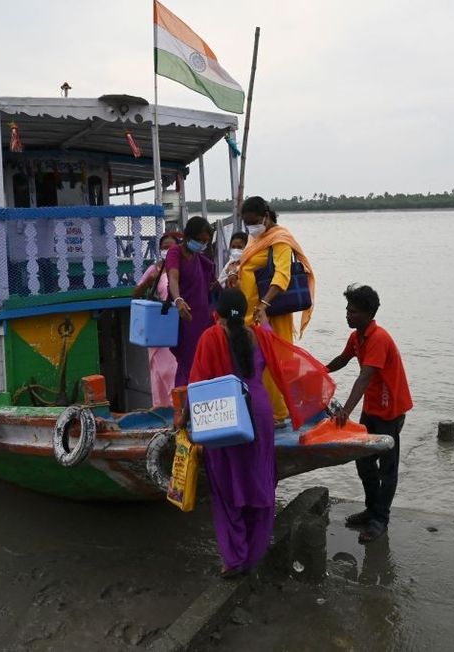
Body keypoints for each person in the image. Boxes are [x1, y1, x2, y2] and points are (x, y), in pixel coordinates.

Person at [188, 289, 283, 577]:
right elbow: (273, 349)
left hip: (225, 413)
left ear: (216, 314)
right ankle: (253, 555)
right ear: (244, 313)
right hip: (260, 413)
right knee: (259, 480)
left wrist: (183, 419)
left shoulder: (211, 336)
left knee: (227, 485)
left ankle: (234, 559)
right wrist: (264, 317)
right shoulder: (262, 335)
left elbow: (198, 382)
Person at [326, 284, 412, 543]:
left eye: (352, 311)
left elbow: (364, 378)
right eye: (347, 309)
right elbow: (343, 359)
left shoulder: (378, 339)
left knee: (388, 467)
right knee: (363, 460)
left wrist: (344, 411)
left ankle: (380, 520)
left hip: (390, 410)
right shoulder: (357, 337)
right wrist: (319, 371)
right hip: (372, 407)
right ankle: (371, 509)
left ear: (367, 314)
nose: (347, 315)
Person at [236, 196, 316, 427]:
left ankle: (278, 413)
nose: (250, 227)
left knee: (275, 360)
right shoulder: (255, 237)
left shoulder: (280, 239)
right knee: (256, 360)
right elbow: (247, 265)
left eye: (253, 221)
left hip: (271, 311)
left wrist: (265, 304)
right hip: (251, 311)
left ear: (266, 217)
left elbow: (282, 274)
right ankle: (264, 407)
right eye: (246, 222)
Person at [132, 232, 181, 407]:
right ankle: (160, 408)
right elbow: (136, 293)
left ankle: (176, 407)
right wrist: (148, 281)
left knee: (172, 369)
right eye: (163, 248)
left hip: (176, 324)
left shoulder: (182, 267)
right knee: (158, 371)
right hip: (157, 323)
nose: (166, 251)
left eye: (171, 248)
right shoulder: (154, 269)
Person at [166, 216, 216, 387]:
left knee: (205, 360)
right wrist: (178, 300)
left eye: (206, 241)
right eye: (200, 240)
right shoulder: (175, 252)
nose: (202, 244)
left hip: (204, 318)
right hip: (185, 317)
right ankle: (183, 402)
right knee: (187, 362)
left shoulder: (200, 258)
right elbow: (173, 278)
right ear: (188, 236)